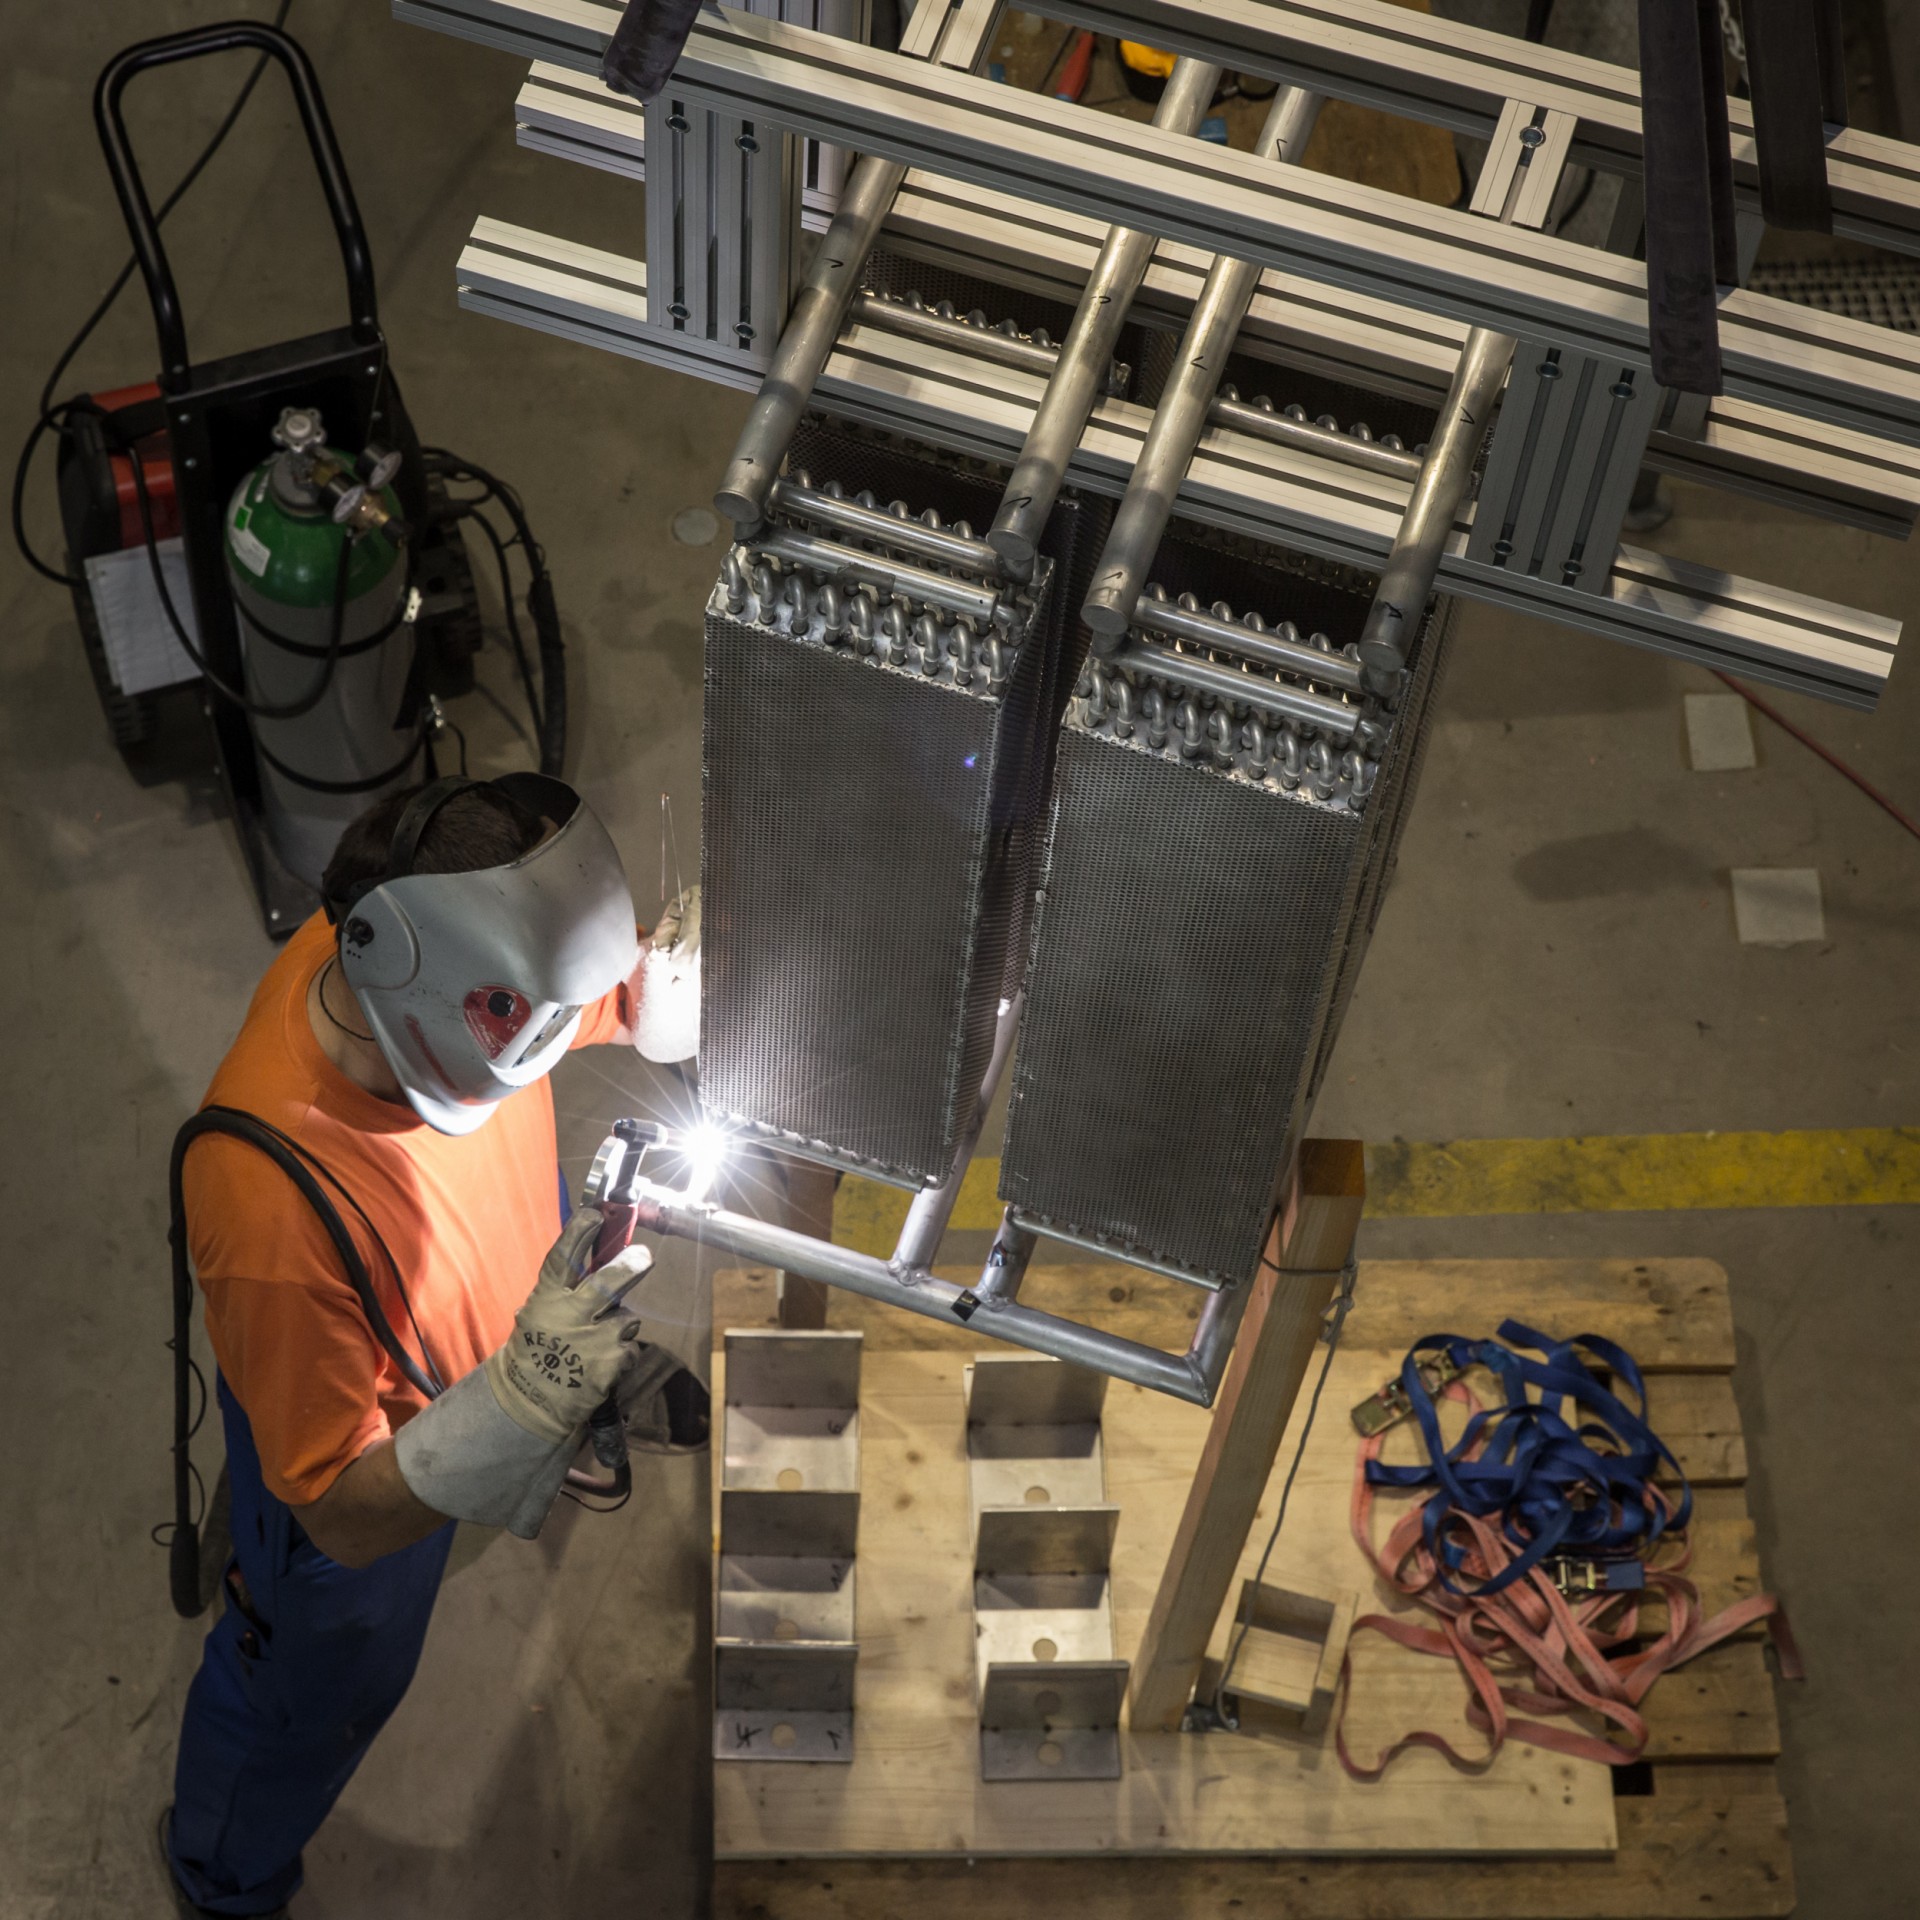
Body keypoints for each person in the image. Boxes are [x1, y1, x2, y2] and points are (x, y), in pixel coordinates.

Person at [162, 773, 701, 1918]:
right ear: (422, 979)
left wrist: (650, 991)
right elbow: (343, 1511)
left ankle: (552, 1383)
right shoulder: (268, 1204)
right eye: (522, 1018)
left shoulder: (439, 962)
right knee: (318, 1692)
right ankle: (223, 1872)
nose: (547, 1040)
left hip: (483, 1327)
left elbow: (576, 996)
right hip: (366, 1459)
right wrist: (514, 1405)